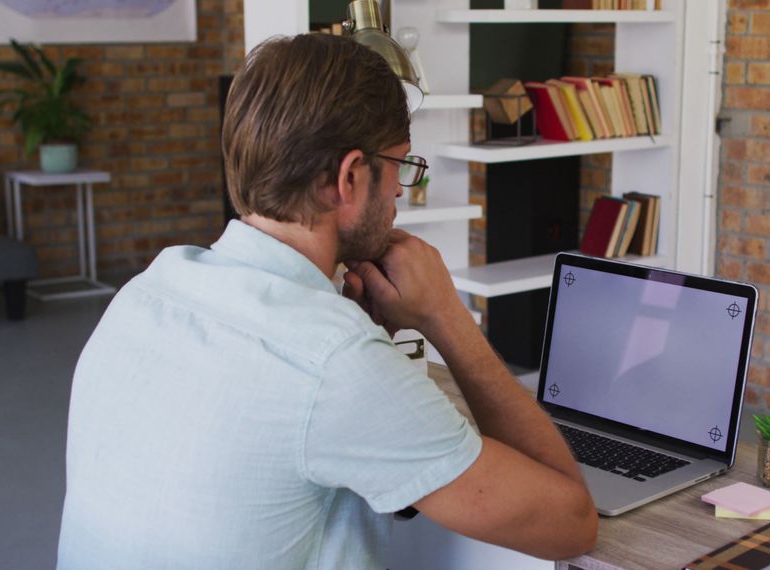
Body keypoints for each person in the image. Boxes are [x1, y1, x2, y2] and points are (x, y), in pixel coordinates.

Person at [57, 33, 597, 568]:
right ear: (350, 176)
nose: (398, 195)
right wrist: (446, 316)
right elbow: (571, 525)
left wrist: (358, 339)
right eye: (400, 167)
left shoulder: (147, 290)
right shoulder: (336, 361)